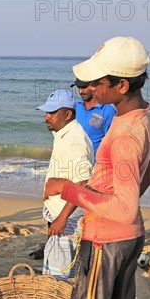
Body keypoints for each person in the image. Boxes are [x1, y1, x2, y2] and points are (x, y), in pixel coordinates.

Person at [45, 37, 150, 299]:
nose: (90, 88)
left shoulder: (127, 133)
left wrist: (66, 189)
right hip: (129, 237)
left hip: (106, 240)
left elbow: (124, 206)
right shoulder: (141, 113)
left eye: (98, 82)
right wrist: (126, 195)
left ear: (121, 85)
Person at [36, 90, 93, 277]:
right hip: (61, 213)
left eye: (52, 112)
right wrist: (51, 185)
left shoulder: (74, 140)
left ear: (67, 114)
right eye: (46, 112)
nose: (46, 117)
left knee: (59, 276)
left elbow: (83, 183)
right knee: (58, 267)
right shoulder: (64, 134)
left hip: (68, 218)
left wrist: (62, 218)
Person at [71, 78, 116, 162]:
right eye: (79, 88)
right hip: (74, 163)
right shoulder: (75, 107)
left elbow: (112, 144)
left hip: (95, 166)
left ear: (93, 86)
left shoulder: (108, 110)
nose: (81, 91)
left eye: (84, 87)